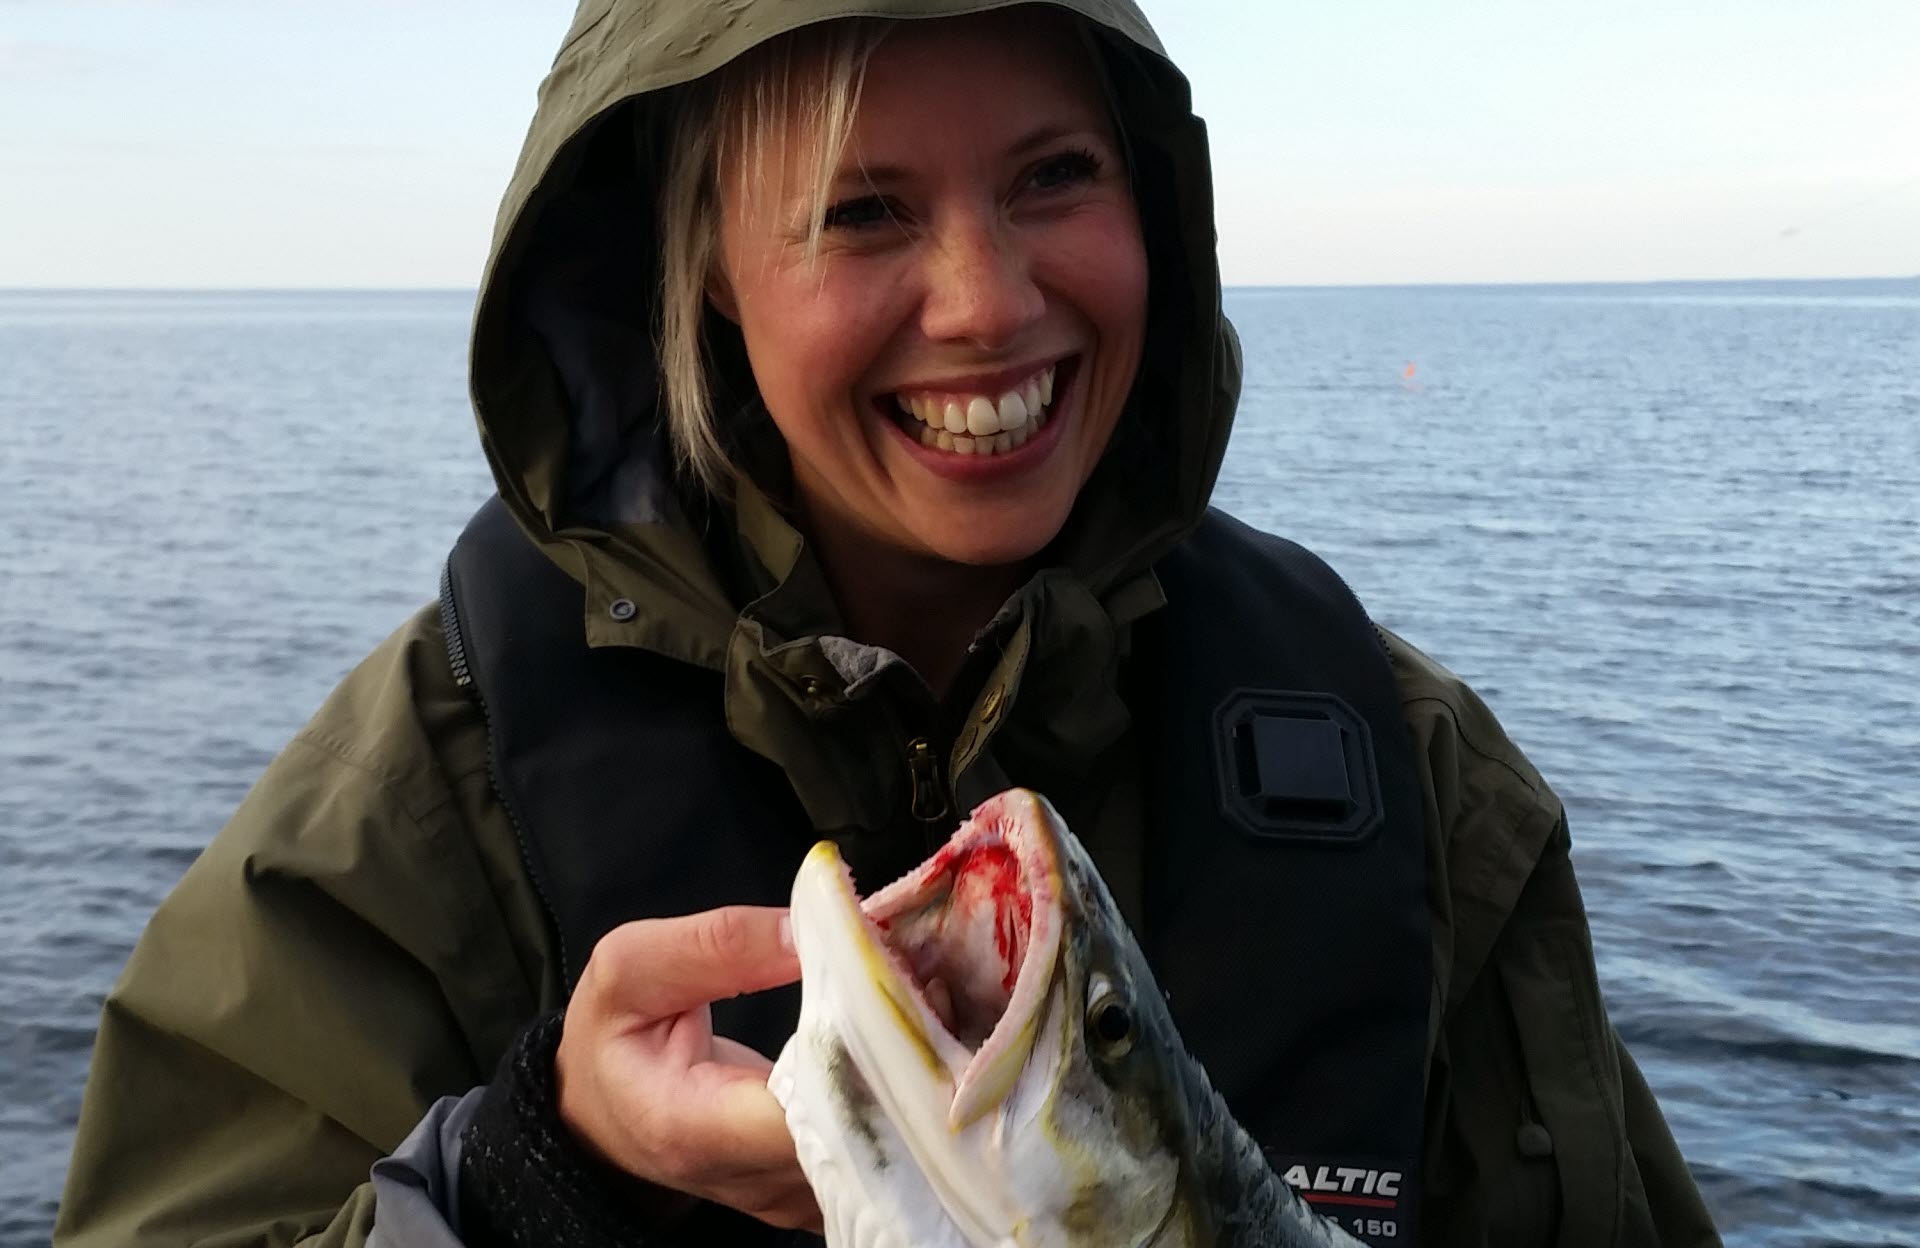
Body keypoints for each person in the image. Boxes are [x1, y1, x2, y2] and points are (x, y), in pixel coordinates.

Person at [55, 1, 1724, 1245]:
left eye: (1057, 177)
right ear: (703, 262)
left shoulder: (1414, 781)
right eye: (863, 211)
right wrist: (528, 1180)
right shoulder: (430, 792)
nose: (989, 302)